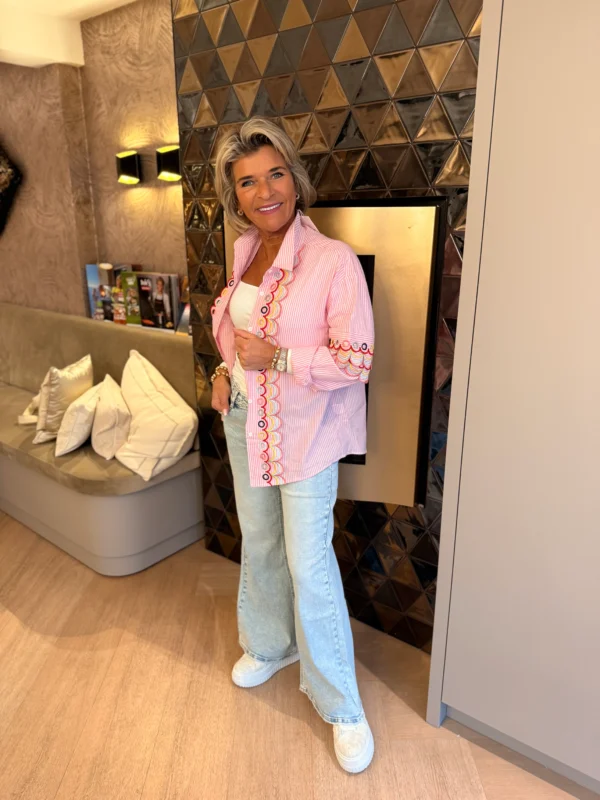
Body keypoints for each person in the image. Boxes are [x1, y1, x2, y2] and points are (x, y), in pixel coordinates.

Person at [211, 117, 375, 774]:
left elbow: (357, 360)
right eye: (248, 182)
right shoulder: (244, 249)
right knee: (261, 543)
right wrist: (225, 369)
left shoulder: (332, 261)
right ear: (236, 195)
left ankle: (342, 706)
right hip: (244, 421)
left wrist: (278, 359)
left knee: (310, 566)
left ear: (295, 179)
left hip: (306, 434)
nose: (265, 191)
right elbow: (239, 334)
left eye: (275, 173)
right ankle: (271, 644)